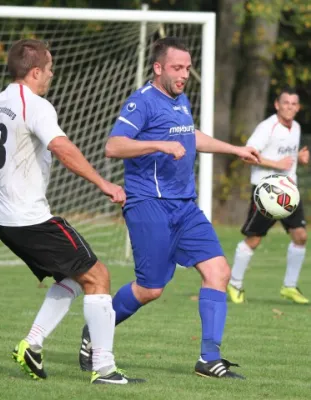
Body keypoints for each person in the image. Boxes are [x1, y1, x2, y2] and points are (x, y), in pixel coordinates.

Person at [0, 39, 144, 385]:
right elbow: (62, 148)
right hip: (30, 219)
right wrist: (103, 184)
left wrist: (10, 160)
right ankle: (104, 369)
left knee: (73, 279)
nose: (52, 74)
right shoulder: (36, 105)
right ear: (34, 72)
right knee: (98, 276)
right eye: (48, 69)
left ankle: (32, 344)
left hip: (5, 221)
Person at [78, 37, 260, 379]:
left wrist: (235, 149)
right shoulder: (141, 103)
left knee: (218, 272)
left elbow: (191, 136)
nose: (184, 74)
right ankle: (96, 332)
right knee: (151, 289)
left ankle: (209, 358)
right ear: (158, 67)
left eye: (188, 68)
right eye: (177, 68)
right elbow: (113, 146)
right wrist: (158, 143)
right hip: (148, 204)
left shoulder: (181, 99)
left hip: (185, 207)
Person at [227, 88, 309, 305]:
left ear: (298, 107)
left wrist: (297, 158)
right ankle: (234, 283)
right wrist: (276, 165)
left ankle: (289, 287)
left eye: (294, 103)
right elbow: (248, 155)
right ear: (277, 105)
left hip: (289, 191)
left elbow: (286, 156)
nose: (290, 107)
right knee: (254, 239)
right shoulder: (267, 128)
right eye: (286, 102)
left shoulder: (296, 127)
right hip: (267, 192)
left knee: (300, 236)